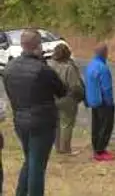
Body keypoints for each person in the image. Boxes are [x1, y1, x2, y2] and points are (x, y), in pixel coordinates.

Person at [2, 29, 67, 196]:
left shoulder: (9, 68)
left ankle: (21, 193)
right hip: (42, 122)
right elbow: (61, 90)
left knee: (30, 160)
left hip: (20, 120)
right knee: (37, 165)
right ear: (38, 46)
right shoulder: (42, 69)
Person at [48, 43, 85, 155]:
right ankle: (66, 149)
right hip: (67, 98)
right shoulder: (69, 67)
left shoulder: (50, 66)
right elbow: (75, 86)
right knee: (67, 124)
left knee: (57, 123)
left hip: (53, 98)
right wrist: (81, 95)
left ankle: (58, 147)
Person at [85, 43, 115, 161]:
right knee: (106, 126)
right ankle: (100, 150)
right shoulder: (103, 68)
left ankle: (96, 147)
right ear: (105, 53)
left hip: (94, 100)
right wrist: (110, 103)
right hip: (103, 101)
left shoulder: (91, 65)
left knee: (96, 125)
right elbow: (106, 88)